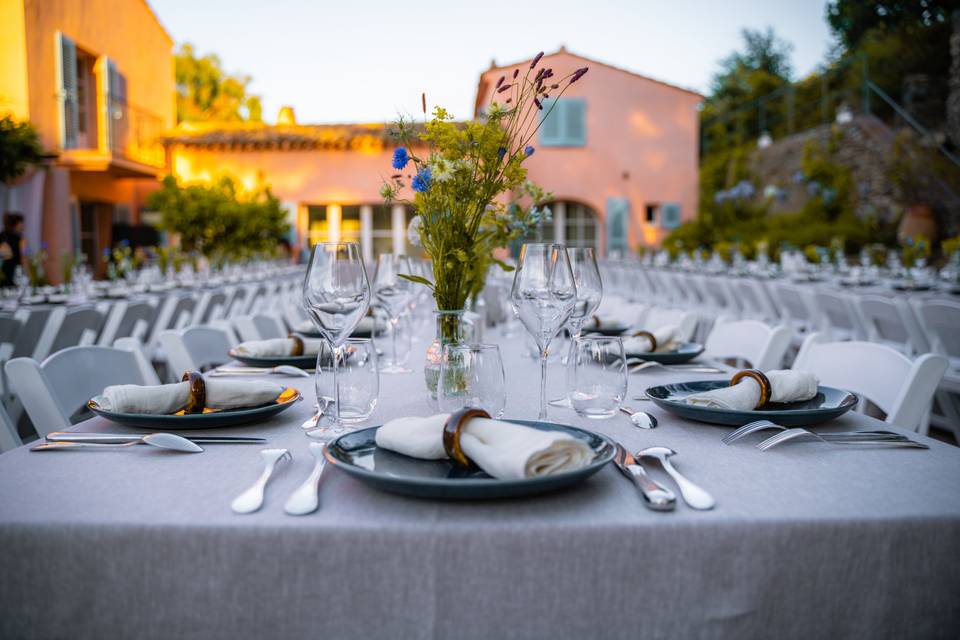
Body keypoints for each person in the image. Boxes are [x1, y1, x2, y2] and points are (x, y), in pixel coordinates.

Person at [0, 212, 25, 287]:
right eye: (21, 223)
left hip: (5, 268)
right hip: (14, 269)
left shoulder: (3, 235)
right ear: (16, 224)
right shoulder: (18, 238)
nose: (23, 225)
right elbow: (23, 256)